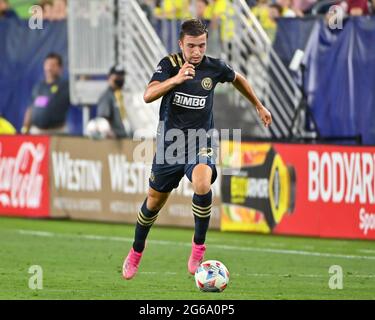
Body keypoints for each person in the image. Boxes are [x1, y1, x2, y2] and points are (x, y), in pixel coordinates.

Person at [122, 19, 272, 280]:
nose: (197, 52)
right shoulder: (168, 65)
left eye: (201, 45)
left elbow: (238, 79)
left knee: (203, 184)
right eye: (191, 46)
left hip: (201, 142)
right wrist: (176, 79)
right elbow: (148, 95)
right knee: (153, 204)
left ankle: (198, 247)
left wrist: (258, 105)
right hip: (170, 146)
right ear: (181, 44)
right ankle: (136, 251)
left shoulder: (214, 67)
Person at [22, 53, 70, 135]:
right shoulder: (38, 86)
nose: (49, 68)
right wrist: (25, 128)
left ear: (60, 68)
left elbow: (81, 84)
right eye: (47, 64)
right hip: (36, 132)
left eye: (53, 65)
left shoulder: (65, 86)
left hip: (57, 133)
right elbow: (30, 108)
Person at [96, 65, 129, 138]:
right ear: (109, 77)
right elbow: (103, 120)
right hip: (115, 140)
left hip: (126, 137)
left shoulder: (122, 95)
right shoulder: (106, 96)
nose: (120, 78)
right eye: (117, 75)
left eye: (122, 75)